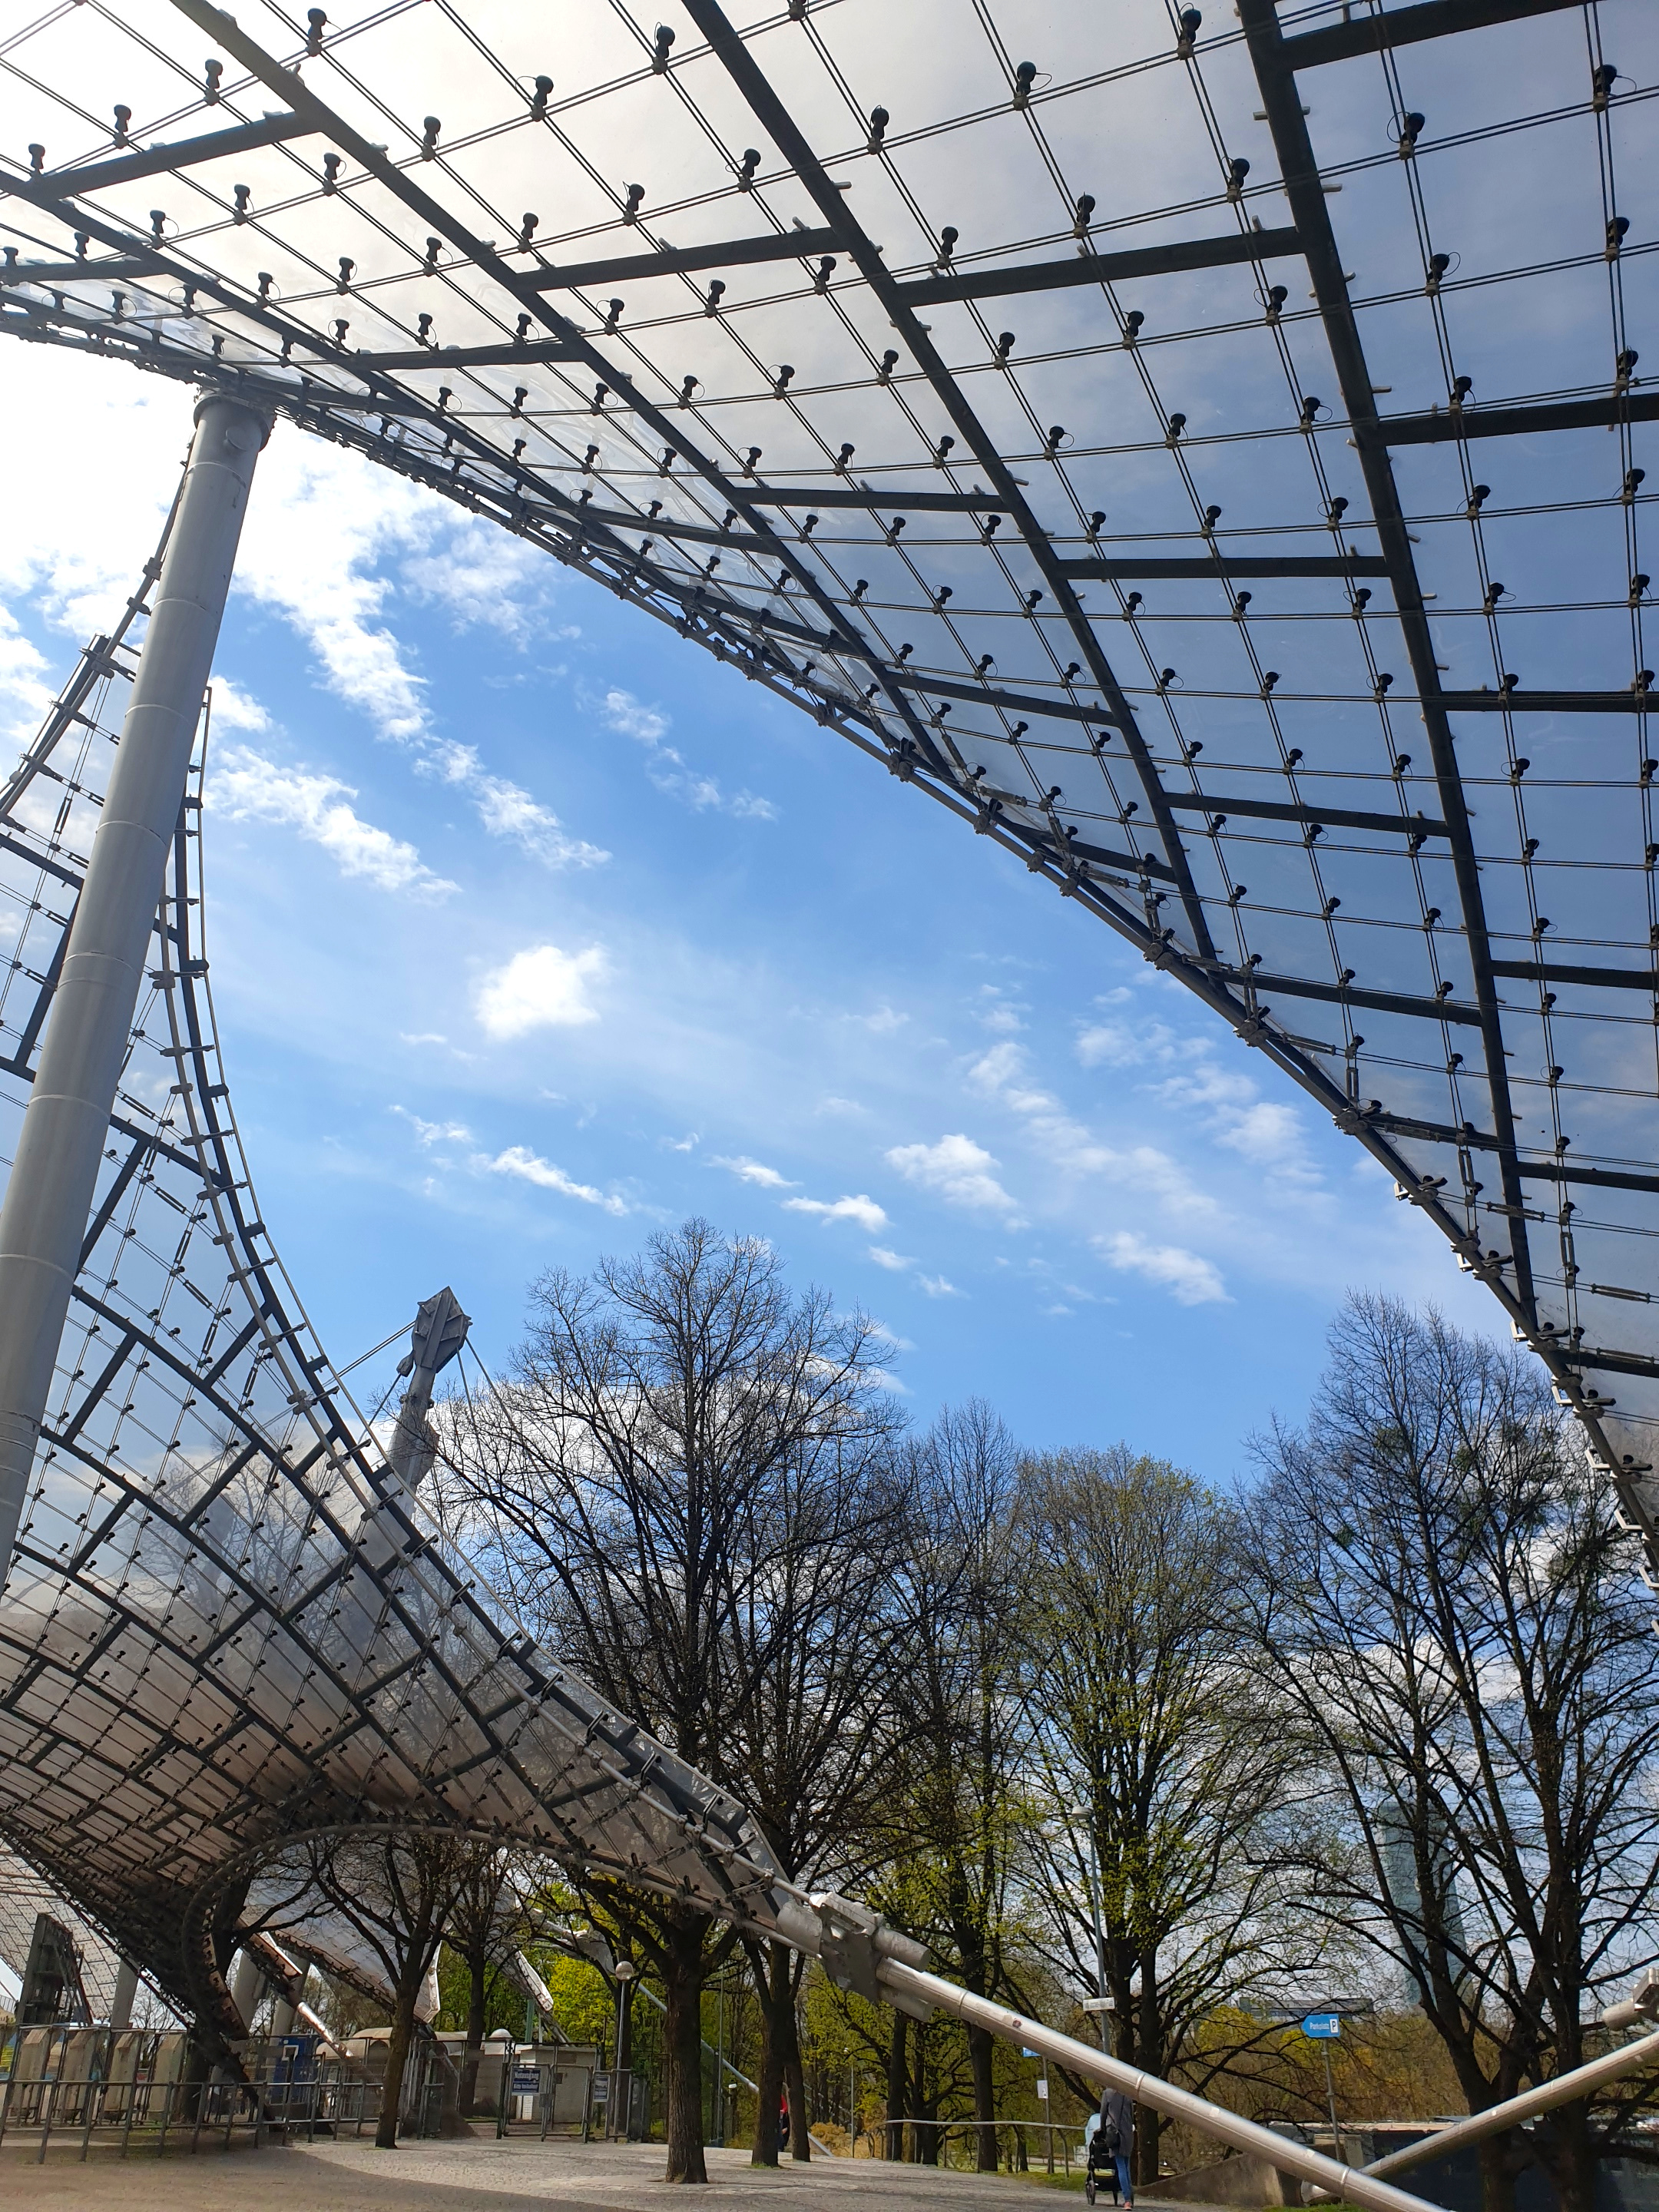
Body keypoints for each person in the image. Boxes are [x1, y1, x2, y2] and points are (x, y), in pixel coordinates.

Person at [1100, 2085, 1134, 2210]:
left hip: (1115, 2134)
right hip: (1128, 2134)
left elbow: (1103, 2114)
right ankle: (1130, 2197)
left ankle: (1127, 2200)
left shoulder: (1108, 2094)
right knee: (1126, 2166)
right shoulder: (1128, 2094)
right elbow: (1131, 2116)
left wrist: (1103, 2129)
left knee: (1121, 2167)